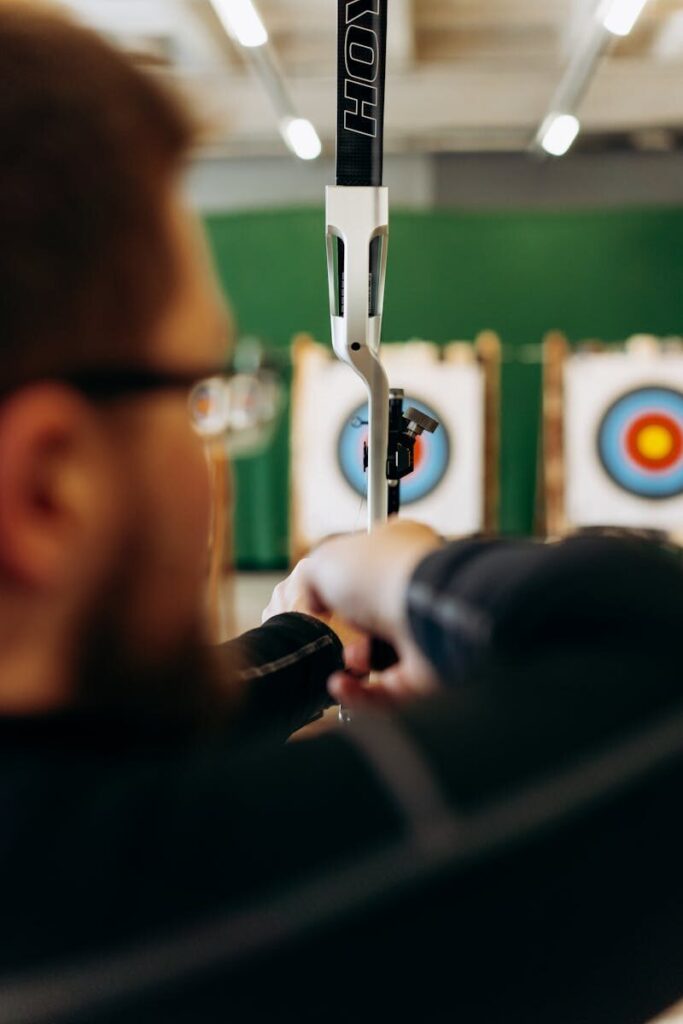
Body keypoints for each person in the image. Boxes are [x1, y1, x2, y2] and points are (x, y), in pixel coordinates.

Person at [1, 7, 682, 1023]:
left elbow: (99, 755)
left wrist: (306, 638)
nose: (212, 443)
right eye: (195, 389)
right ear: (47, 487)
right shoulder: (155, 915)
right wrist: (408, 573)